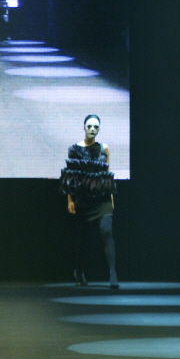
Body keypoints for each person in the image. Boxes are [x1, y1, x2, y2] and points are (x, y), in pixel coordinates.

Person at [60, 114, 118, 288]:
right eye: (89, 126)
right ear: (84, 128)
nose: (92, 129)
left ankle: (113, 273)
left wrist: (111, 198)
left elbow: (107, 175)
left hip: (102, 198)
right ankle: (78, 270)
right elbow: (70, 176)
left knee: (106, 230)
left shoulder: (104, 148)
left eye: (96, 127)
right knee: (81, 237)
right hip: (83, 198)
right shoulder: (74, 149)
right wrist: (70, 200)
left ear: (99, 129)